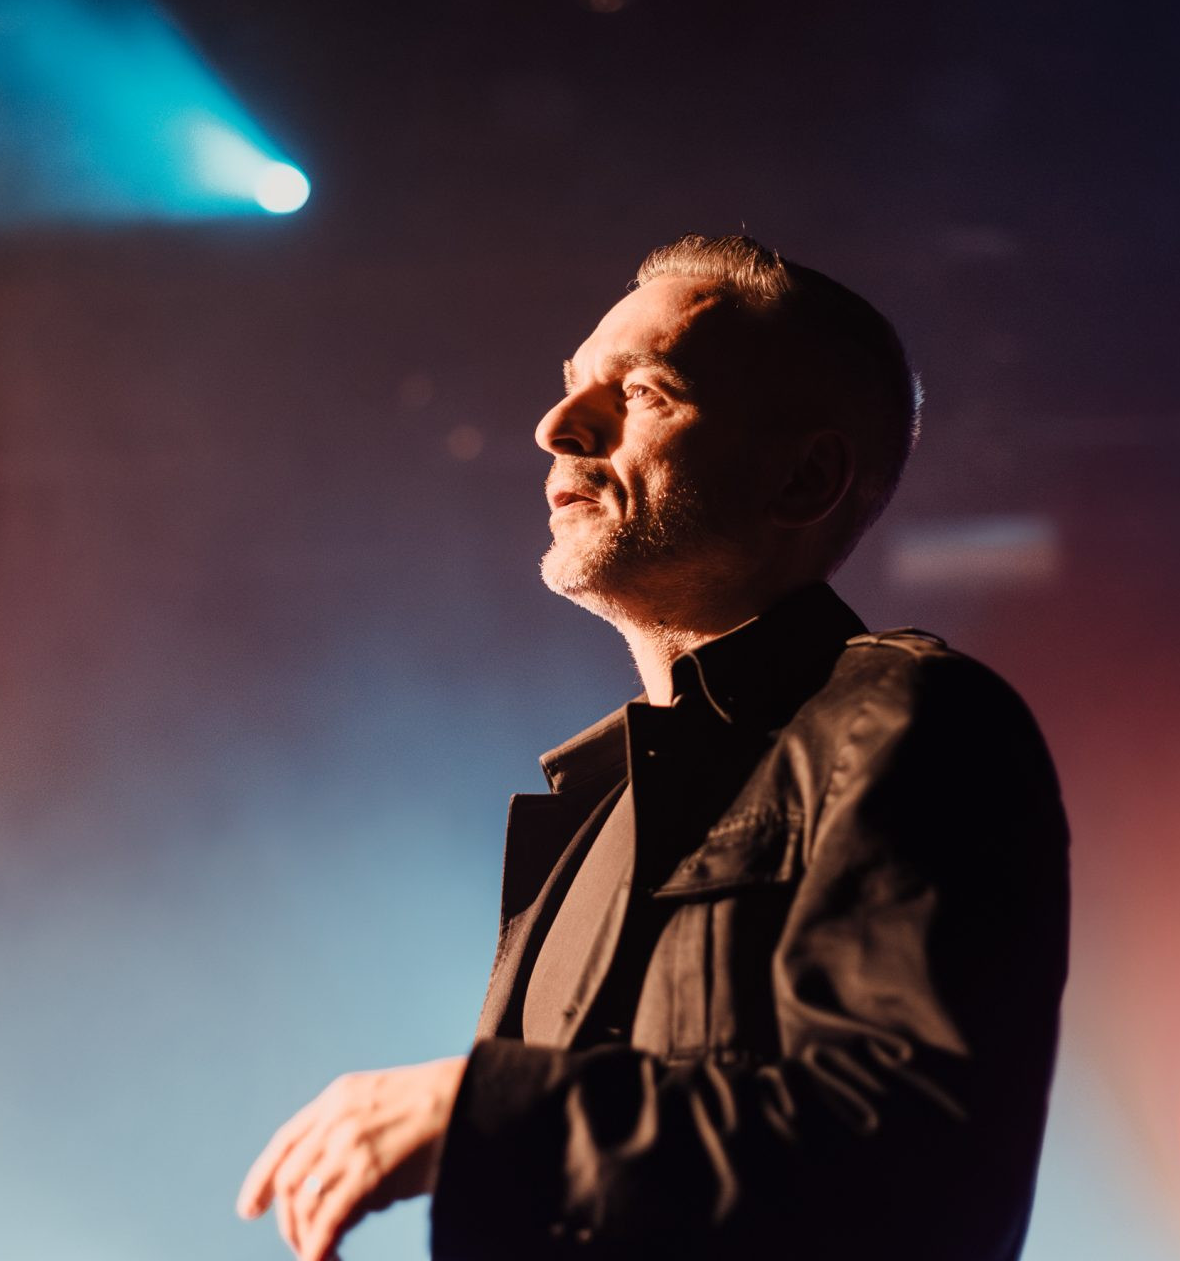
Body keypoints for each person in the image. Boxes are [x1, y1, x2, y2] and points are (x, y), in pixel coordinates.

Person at [235, 234, 1071, 1260]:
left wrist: (492, 1114)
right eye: (571, 385)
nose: (555, 427)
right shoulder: (595, 815)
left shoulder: (916, 721)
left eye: (642, 392)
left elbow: (915, 1168)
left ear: (806, 478)